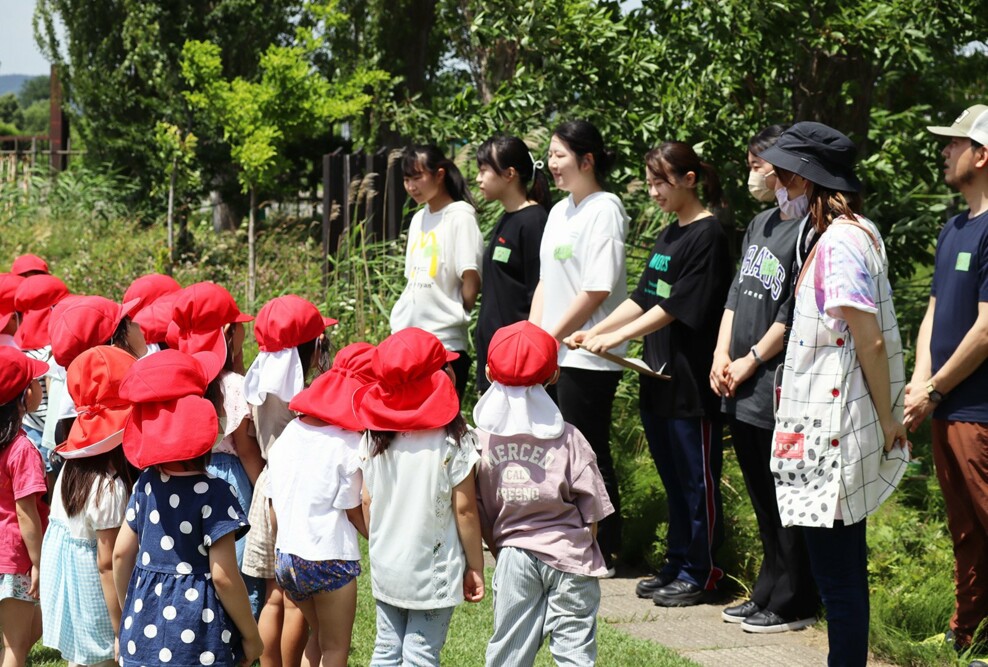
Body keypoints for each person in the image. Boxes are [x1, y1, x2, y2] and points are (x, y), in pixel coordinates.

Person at [761, 122, 909, 666]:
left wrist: (890, 415)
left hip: (833, 434)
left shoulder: (842, 241)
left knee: (839, 578)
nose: (777, 185)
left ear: (807, 181)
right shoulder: (852, 233)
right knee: (838, 573)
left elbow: (867, 340)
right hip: (826, 428)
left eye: (783, 175)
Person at [566, 141, 731, 605]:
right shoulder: (668, 234)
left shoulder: (709, 235)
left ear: (689, 180)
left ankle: (703, 571)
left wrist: (617, 338)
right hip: (655, 377)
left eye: (661, 181)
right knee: (673, 479)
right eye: (651, 181)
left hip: (690, 382)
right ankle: (678, 563)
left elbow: (676, 308)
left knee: (698, 482)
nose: (654, 191)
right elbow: (643, 297)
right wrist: (594, 331)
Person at [709, 125, 819, 631]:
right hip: (739, 380)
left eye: (758, 163)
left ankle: (795, 598)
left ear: (783, 167)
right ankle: (768, 589)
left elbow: (792, 311)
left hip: (774, 382)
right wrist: (720, 355)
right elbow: (736, 295)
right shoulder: (759, 223)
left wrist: (750, 360)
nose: (753, 172)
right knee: (759, 494)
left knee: (785, 495)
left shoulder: (810, 230)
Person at [474, 321, 614, 666]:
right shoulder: (570, 438)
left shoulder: (480, 441)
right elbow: (592, 511)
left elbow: (476, 508)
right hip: (571, 556)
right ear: (554, 376)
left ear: (490, 373)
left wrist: (500, 547)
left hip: (513, 556)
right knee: (574, 654)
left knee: (509, 651)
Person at [113, 348, 262, 667]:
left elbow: (121, 553)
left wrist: (128, 615)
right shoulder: (216, 494)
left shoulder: (146, 484)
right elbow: (223, 576)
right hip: (199, 638)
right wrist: (251, 634)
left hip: (141, 632)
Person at [904, 104, 988, 655]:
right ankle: (971, 639)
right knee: (967, 534)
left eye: (955, 143)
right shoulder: (953, 227)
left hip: (980, 413)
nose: (944, 150)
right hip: (944, 406)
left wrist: (934, 389)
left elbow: (987, 328)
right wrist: (918, 382)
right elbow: (934, 312)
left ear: (982, 155)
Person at [529, 119, 628, 574]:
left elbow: (597, 289)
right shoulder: (558, 212)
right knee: (556, 450)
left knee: (588, 452)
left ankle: (608, 547)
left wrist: (548, 339)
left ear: (587, 160)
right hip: (553, 353)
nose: (551, 164)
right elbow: (547, 281)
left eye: (560, 155)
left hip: (589, 354)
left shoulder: (605, 208)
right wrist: (532, 342)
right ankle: (568, 540)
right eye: (549, 155)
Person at [353, 327, 485, 665]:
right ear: (436, 379)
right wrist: (475, 565)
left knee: (386, 649)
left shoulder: (374, 435)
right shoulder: (454, 438)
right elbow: (466, 509)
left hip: (387, 563)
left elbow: (367, 500)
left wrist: (381, 542)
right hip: (434, 570)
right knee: (421, 654)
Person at [267, 343, 375, 667]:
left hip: (287, 558)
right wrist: (378, 538)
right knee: (336, 647)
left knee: (317, 636)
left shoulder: (289, 433)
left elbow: (274, 501)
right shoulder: (350, 444)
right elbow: (354, 508)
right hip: (329, 560)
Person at [242, 294, 336, 667]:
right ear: (309, 349)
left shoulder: (261, 389)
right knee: (296, 600)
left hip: (267, 484)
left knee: (273, 595)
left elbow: (250, 440)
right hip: (297, 491)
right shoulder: (303, 397)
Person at [40, 346, 139, 666]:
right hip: (96, 599)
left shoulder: (71, 469)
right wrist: (120, 629)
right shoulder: (109, 487)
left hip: (69, 591)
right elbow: (108, 563)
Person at [172, 281, 264, 614]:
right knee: (236, 567)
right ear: (228, 330)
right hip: (229, 483)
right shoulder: (235, 387)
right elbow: (248, 452)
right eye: (241, 327)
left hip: (183, 477)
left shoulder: (179, 376)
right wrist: (267, 496)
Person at [389, 145, 484, 398]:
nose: (411, 186)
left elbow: (470, 277)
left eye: (417, 177)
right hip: (406, 339)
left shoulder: (460, 216)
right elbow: (412, 278)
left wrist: (455, 310)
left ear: (439, 174)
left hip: (444, 343)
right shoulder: (418, 218)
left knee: (439, 429)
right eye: (406, 179)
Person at [474, 134, 551, 394]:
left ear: (509, 174)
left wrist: (526, 352)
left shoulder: (534, 221)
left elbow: (539, 291)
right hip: (495, 357)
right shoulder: (506, 218)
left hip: (518, 363)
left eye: (484, 170)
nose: (478, 178)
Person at [0, 347, 49, 667]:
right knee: (16, 646)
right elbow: (25, 512)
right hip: (15, 557)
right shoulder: (22, 449)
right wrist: (39, 562)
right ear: (24, 395)